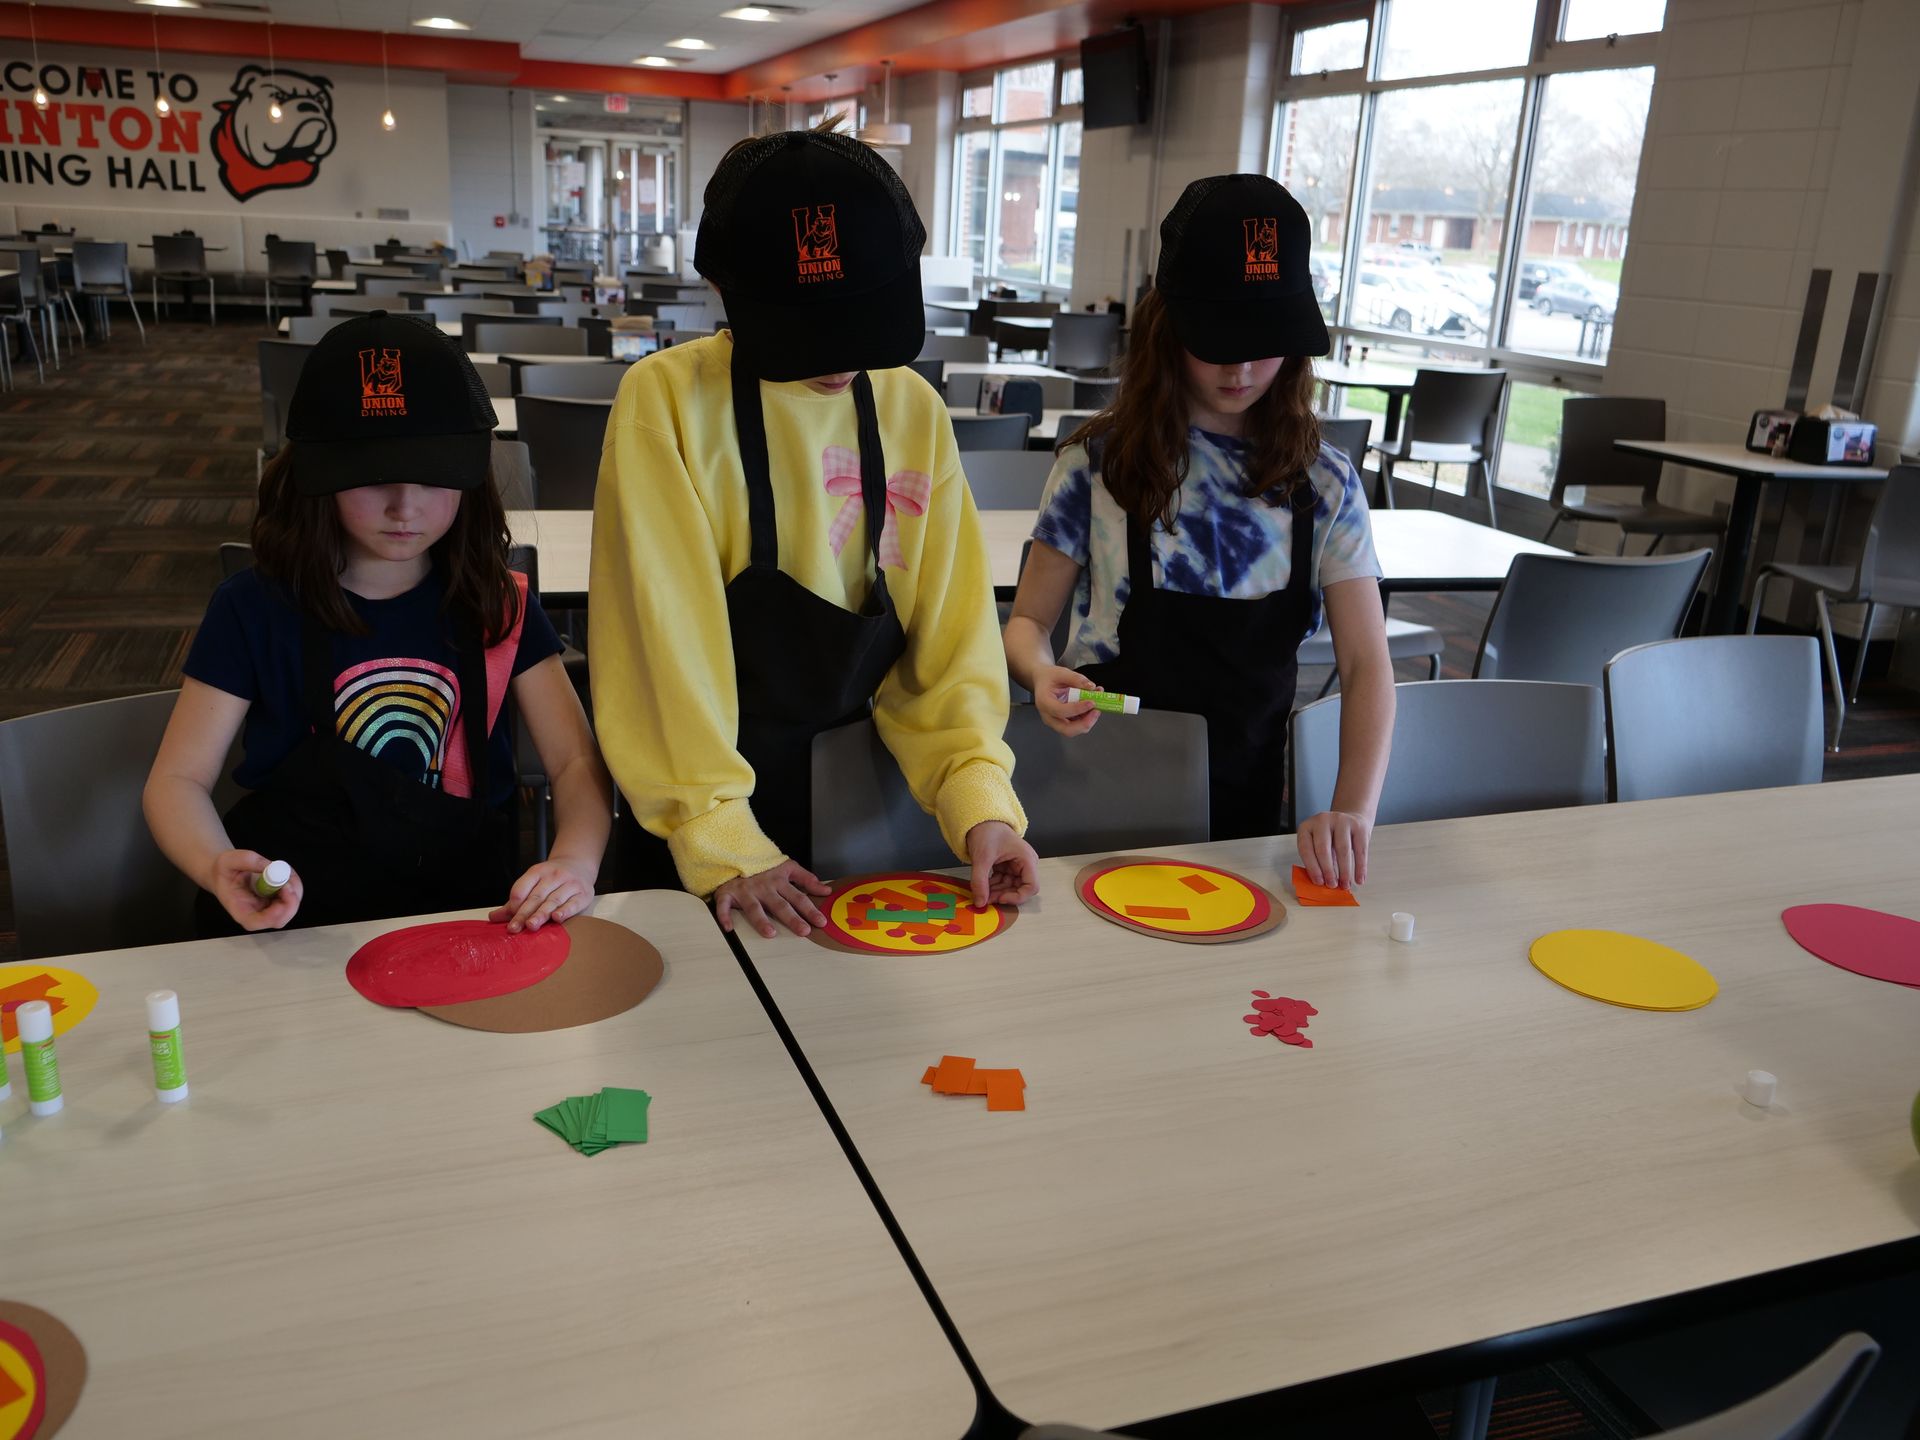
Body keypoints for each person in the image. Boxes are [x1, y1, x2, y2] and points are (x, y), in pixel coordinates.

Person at [590, 124, 1038, 940]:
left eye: (862, 325)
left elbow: (951, 642)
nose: (840, 360)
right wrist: (720, 834)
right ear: (727, 292)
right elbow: (658, 643)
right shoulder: (666, 402)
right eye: (806, 330)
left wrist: (979, 803)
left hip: (863, 817)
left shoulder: (911, 410)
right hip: (698, 836)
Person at [145, 312, 612, 935]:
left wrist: (575, 860)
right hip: (297, 927)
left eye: (433, 477)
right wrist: (213, 863)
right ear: (319, 477)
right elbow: (177, 780)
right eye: (371, 479)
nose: (405, 507)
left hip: (464, 915)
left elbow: (577, 762)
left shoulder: (498, 604)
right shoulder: (252, 608)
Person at [1004, 175, 1394, 889]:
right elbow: (1028, 619)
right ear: (1169, 328)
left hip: (1242, 806)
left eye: (1264, 340)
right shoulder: (1097, 466)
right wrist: (1036, 670)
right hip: (1096, 789)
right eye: (1218, 341)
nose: (1241, 368)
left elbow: (1368, 667)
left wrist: (1352, 811)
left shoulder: (1325, 484)